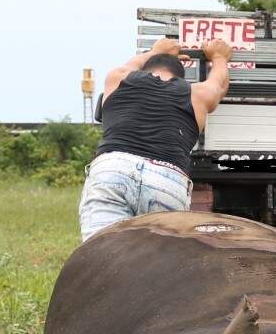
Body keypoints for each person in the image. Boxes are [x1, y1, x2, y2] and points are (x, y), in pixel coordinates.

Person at [78, 36, 231, 241]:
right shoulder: (197, 94)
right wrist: (219, 57)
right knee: (159, 268)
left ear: (145, 70)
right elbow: (219, 84)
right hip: (166, 178)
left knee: (100, 258)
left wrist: (155, 50)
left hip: (113, 170)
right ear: (180, 78)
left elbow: (132, 64)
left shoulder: (117, 78)